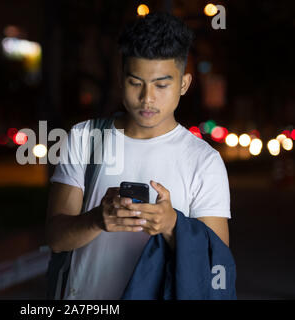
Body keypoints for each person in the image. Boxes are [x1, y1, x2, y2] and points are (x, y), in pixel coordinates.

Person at [45, 12, 231, 300]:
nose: (147, 98)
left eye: (161, 84)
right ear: (121, 80)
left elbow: (215, 265)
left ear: (183, 83)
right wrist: (97, 219)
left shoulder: (204, 161)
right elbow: (56, 239)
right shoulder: (85, 137)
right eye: (136, 82)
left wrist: (172, 226)